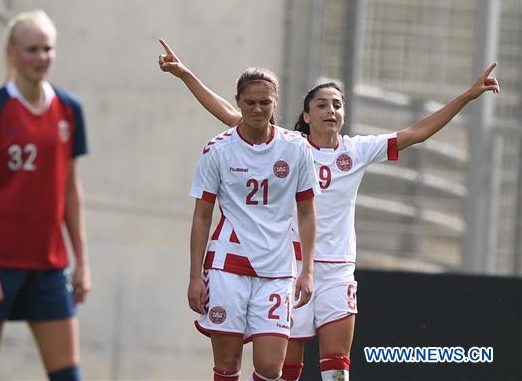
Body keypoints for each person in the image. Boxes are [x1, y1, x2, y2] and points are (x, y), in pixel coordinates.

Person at [159, 39, 499, 381]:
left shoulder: (358, 150)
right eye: (322, 104)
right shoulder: (287, 145)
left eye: (337, 104)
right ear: (306, 115)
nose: (330, 110)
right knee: (281, 369)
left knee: (337, 368)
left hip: (335, 269)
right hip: (287, 264)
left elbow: (417, 132)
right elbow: (234, 115)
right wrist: (186, 76)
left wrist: (467, 96)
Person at [0, 10, 90, 381]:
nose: (41, 57)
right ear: (12, 52)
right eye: (32, 49)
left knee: (68, 376)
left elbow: (70, 190)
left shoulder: (69, 110)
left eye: (47, 49)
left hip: (48, 265)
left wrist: (82, 260)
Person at [185, 64, 318, 381]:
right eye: (250, 103)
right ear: (238, 101)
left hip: (276, 270)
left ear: (276, 103)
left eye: (265, 103)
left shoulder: (296, 148)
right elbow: (202, 215)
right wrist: (194, 275)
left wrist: (308, 270)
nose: (257, 109)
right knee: (228, 365)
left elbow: (307, 211)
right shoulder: (218, 149)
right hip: (227, 267)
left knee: (271, 367)